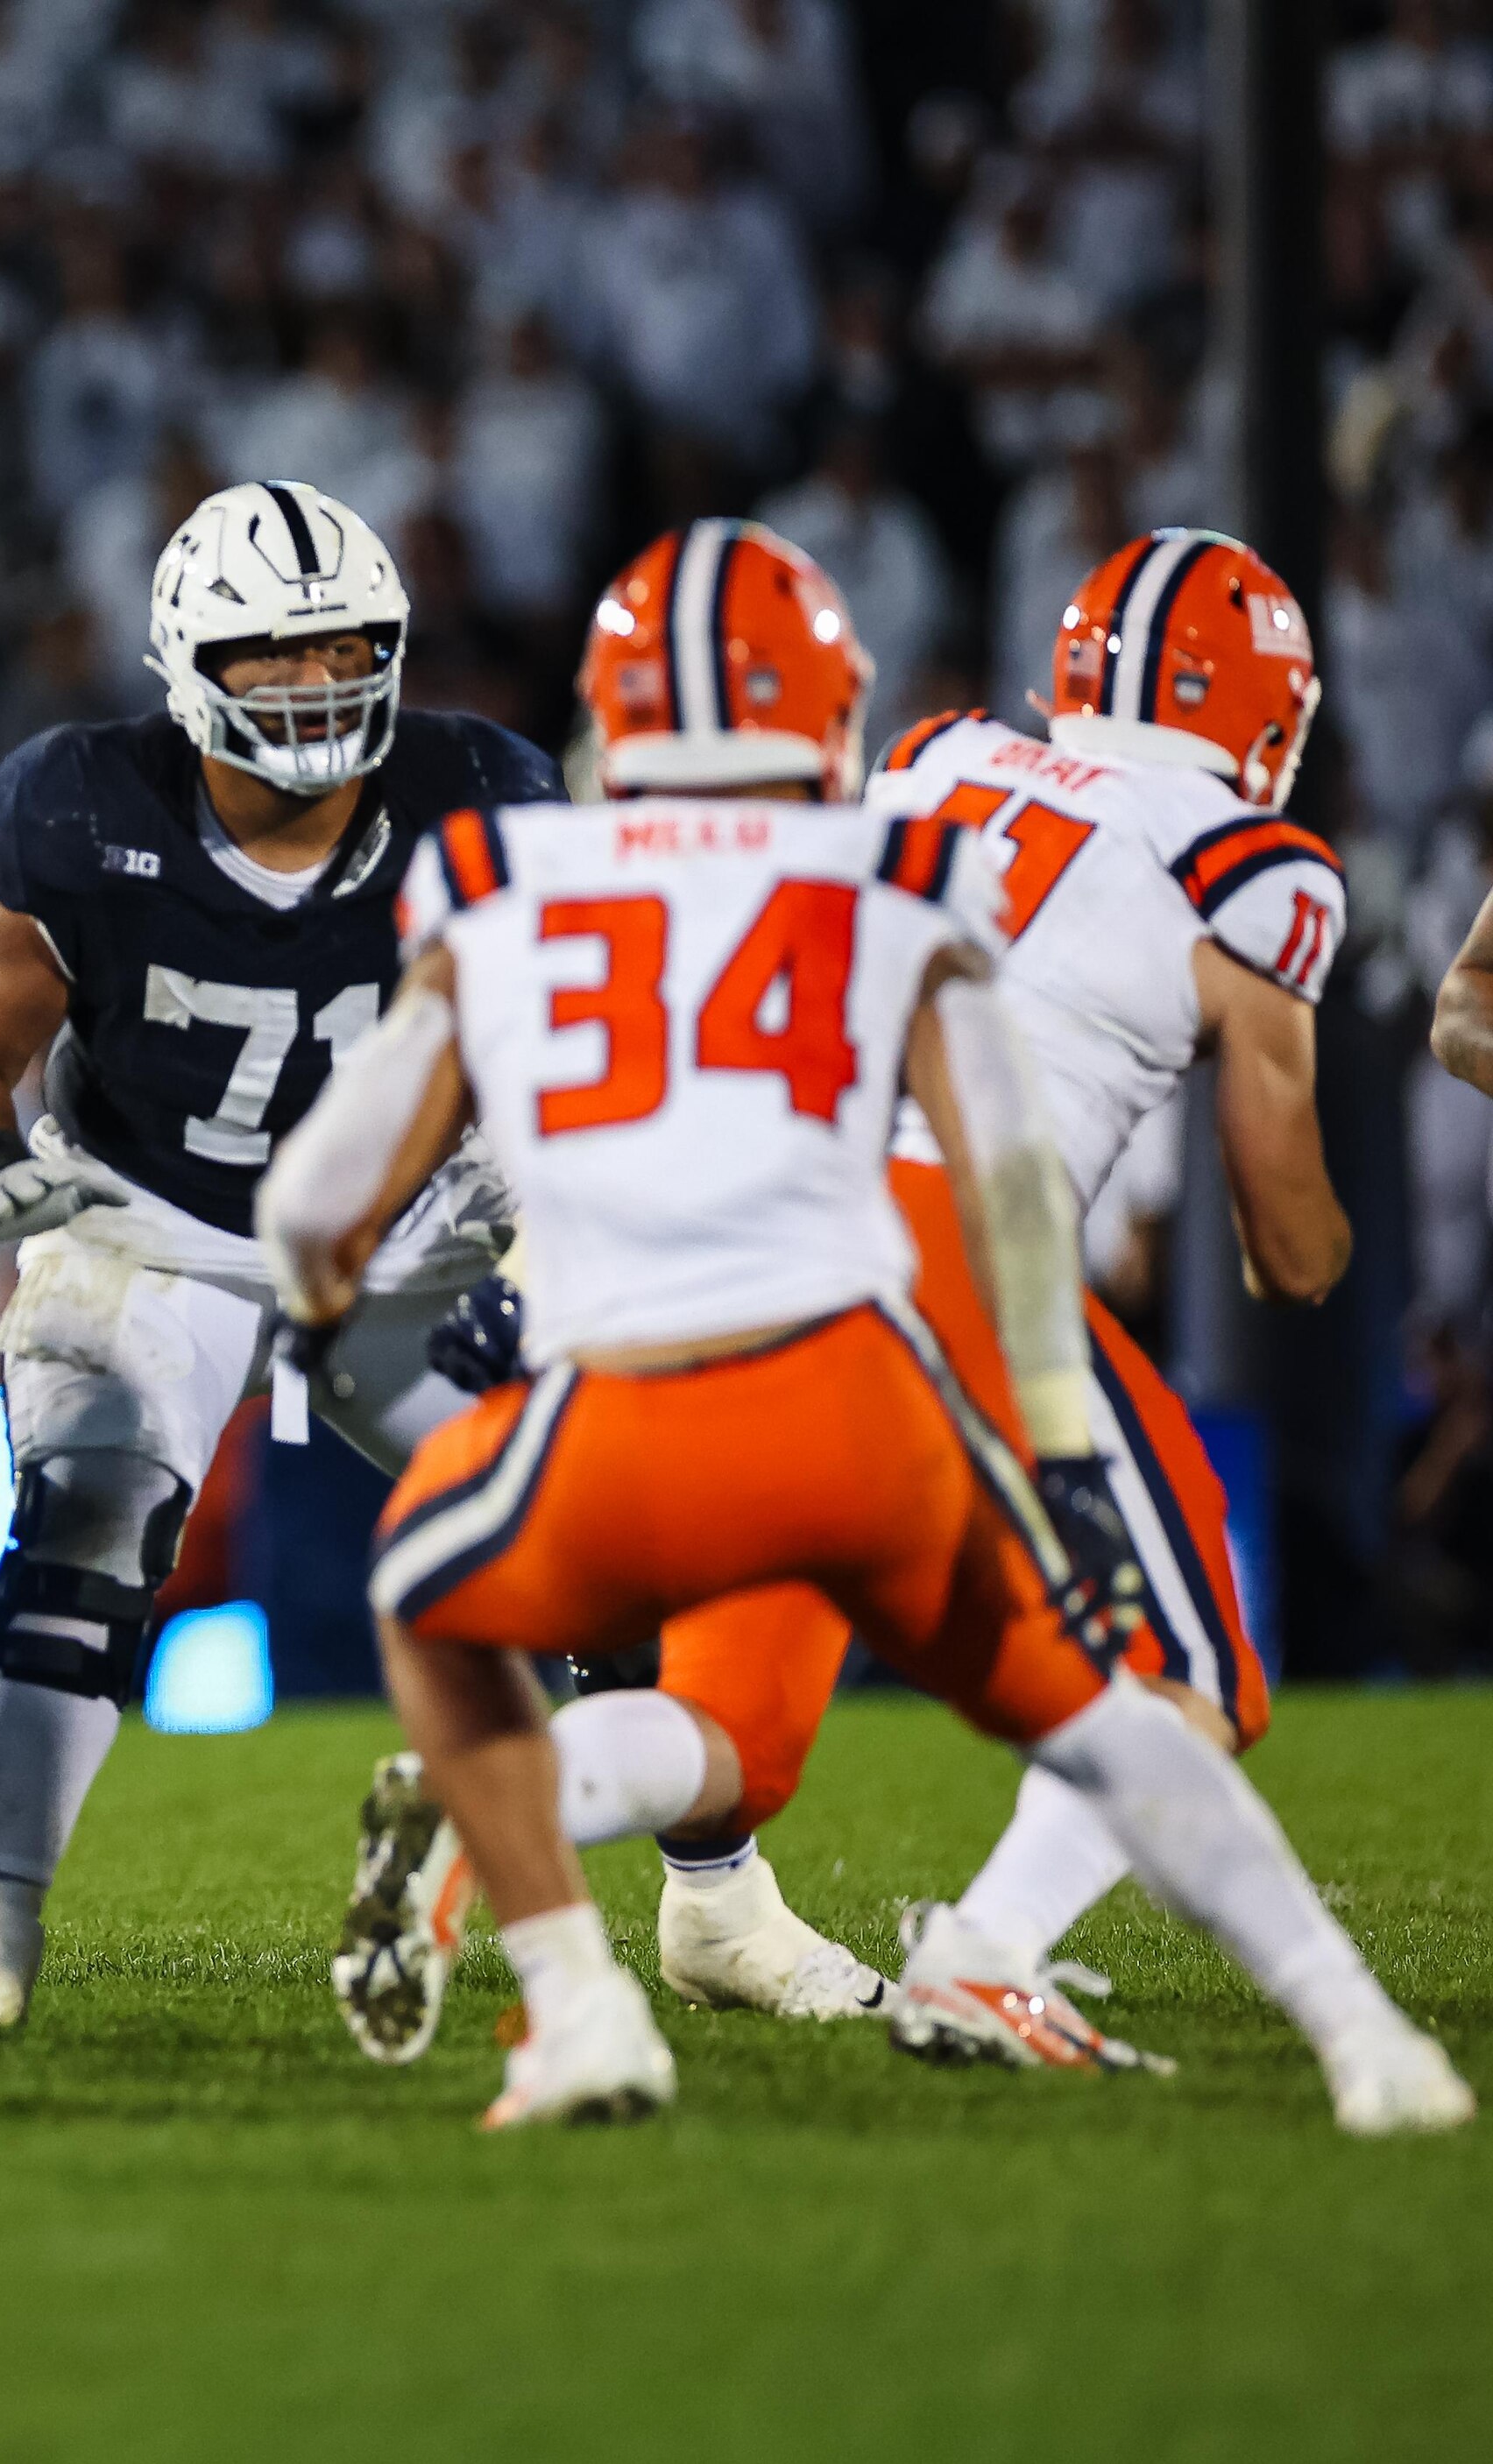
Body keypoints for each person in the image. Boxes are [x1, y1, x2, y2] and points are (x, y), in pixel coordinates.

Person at [271, 520, 1463, 2135]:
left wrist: (526, 1269)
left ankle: (512, 1806)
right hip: (938, 1259)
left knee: (739, 1738)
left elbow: (427, 1138)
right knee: (1181, 1673)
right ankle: (1037, 1960)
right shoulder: (1242, 866)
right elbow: (1277, 1242)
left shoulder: (932, 763)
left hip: (722, 1259)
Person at [0, 482, 561, 2034]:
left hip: (404, 1220)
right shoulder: (82, 806)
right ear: (191, 664)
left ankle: (729, 1906)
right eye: (276, 657)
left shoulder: (483, 794)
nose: (318, 687)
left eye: (347, 651)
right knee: (88, 1521)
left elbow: (570, 1026)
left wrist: (543, 1205)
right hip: (149, 1218)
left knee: (589, 1524)